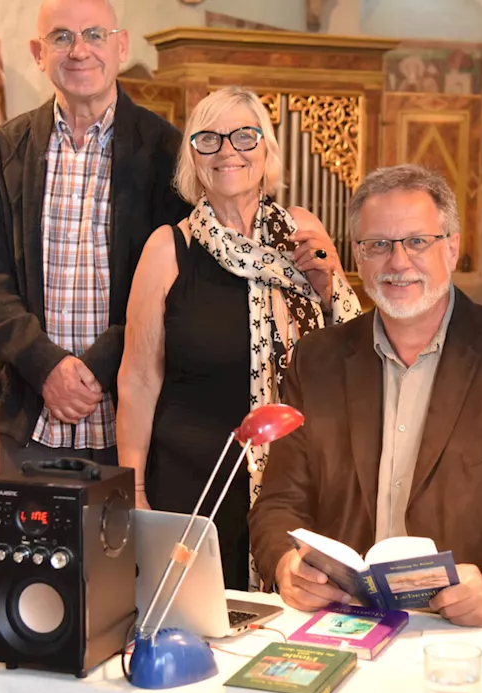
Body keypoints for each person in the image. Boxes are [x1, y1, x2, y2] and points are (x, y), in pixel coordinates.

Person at [248, 165, 482, 625]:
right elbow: (278, 502)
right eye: (378, 245)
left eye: (417, 241)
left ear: (451, 248)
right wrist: (285, 564)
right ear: (358, 255)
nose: (397, 262)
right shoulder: (317, 361)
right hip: (348, 620)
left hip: (466, 631)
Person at [116, 87, 361, 591]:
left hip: (295, 481)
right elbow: (139, 380)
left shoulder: (303, 231)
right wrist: (134, 491)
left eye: (244, 136)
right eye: (209, 139)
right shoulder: (168, 249)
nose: (228, 150)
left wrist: (330, 284)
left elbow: (353, 348)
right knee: (201, 633)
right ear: (192, 158)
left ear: (267, 150)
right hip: (194, 484)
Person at [0, 0, 189, 473]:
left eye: (94, 34)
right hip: (31, 415)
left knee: (129, 550)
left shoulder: (167, 153)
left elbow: (177, 288)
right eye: (62, 37)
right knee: (31, 549)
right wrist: (46, 367)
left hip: (132, 418)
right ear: (38, 52)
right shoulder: (3, 151)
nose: (79, 50)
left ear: (121, 45)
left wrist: (97, 367)